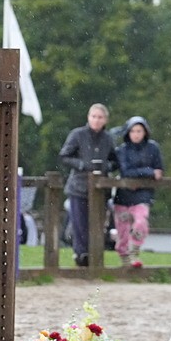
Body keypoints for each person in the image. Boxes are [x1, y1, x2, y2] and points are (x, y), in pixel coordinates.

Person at [59, 103, 117, 267]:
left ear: (105, 120)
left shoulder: (108, 138)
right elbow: (64, 156)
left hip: (100, 188)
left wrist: (106, 167)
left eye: (100, 117)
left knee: (98, 224)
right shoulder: (77, 135)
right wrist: (82, 164)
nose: (96, 120)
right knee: (79, 223)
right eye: (94, 117)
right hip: (79, 186)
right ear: (88, 117)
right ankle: (81, 254)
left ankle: (95, 255)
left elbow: (115, 160)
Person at [113, 116, 164, 268]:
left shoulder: (153, 148)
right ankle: (125, 259)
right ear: (128, 133)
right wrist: (149, 172)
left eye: (139, 131)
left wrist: (148, 173)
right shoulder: (122, 150)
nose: (136, 134)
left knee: (141, 222)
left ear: (145, 132)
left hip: (143, 194)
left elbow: (160, 169)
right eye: (133, 131)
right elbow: (126, 172)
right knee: (122, 231)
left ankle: (134, 249)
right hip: (123, 195)